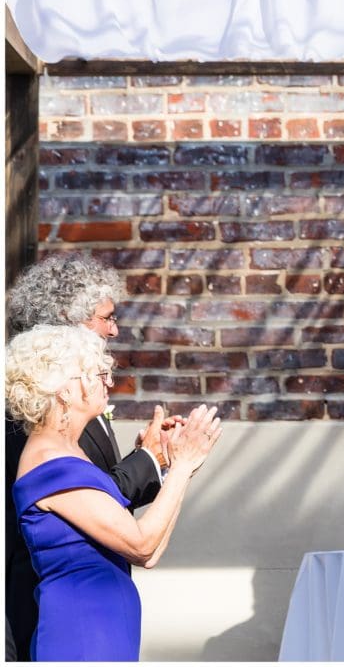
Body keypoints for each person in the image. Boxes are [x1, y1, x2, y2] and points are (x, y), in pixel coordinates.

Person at [7, 325, 221, 660]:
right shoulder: (49, 462)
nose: (109, 381)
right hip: (80, 629)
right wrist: (180, 466)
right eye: (99, 373)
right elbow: (141, 543)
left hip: (107, 626)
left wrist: (182, 467)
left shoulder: (71, 453)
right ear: (65, 389)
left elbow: (150, 553)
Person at [5, 254, 172, 660]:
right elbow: (70, 490)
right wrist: (149, 459)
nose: (114, 330)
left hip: (103, 599)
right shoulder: (29, 411)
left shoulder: (78, 404)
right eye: (106, 317)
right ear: (69, 316)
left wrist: (153, 461)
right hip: (51, 598)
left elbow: (96, 491)